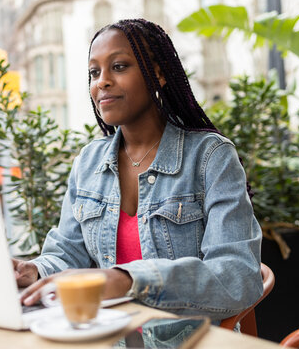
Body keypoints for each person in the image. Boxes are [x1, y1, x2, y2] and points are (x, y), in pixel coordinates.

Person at [14, 18, 263, 322]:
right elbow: (67, 254)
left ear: (157, 73)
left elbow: (237, 277)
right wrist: (36, 270)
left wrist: (129, 280)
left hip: (188, 340)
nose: (101, 81)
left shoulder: (211, 157)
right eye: (94, 72)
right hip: (108, 338)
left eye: (118, 67)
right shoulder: (88, 163)